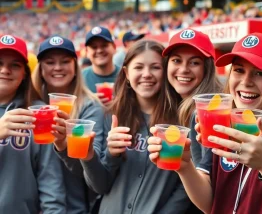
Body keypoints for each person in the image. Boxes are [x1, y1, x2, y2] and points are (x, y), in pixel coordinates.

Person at [148, 32, 262, 214]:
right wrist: (185, 167)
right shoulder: (222, 121)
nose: (246, 82)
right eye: (238, 70)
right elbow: (210, 203)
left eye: (260, 73)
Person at [81, 40, 192, 213]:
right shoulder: (112, 116)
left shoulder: (182, 119)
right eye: (138, 67)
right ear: (126, 73)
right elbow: (100, 186)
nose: (146, 74)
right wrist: (97, 156)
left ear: (166, 72)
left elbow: (185, 187)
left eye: (155, 67)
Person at [31, 35, 104, 214]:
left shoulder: (90, 108)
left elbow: (90, 174)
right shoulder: (31, 104)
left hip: (74, 207)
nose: (57, 67)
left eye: (65, 61)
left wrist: (64, 145)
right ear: (40, 69)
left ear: (75, 67)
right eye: (50, 62)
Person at [0, 34, 66, 214]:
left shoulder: (39, 113)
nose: (5, 70)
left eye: (15, 65)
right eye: (0, 63)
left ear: (24, 75)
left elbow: (50, 181)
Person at [163, 28, 222, 165]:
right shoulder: (171, 102)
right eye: (177, 60)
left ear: (207, 69)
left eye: (194, 62)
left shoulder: (209, 111)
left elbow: (205, 179)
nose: (184, 69)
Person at [83, 26, 120, 105]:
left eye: (104, 45)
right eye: (94, 47)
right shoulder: (79, 79)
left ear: (114, 47)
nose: (99, 50)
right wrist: (90, 103)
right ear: (87, 51)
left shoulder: (127, 76)